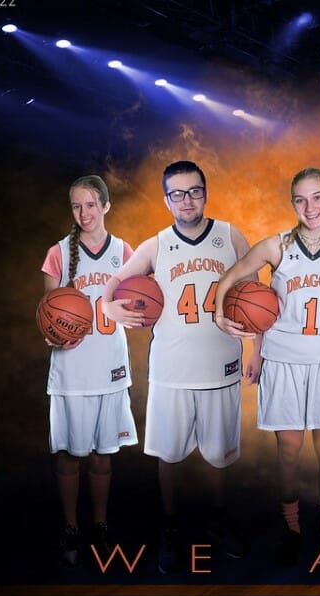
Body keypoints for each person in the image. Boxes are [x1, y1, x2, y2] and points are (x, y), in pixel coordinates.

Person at [103, 160, 251, 574]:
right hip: (170, 367)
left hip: (221, 364)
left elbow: (259, 294)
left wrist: (256, 347)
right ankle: (171, 527)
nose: (187, 200)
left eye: (195, 191)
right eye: (178, 193)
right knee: (167, 455)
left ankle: (218, 519)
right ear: (167, 199)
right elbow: (111, 285)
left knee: (220, 454)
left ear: (206, 192)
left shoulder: (230, 236)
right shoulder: (156, 245)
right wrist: (109, 305)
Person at [214, 168, 320, 568]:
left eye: (317, 198)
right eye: (300, 199)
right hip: (282, 360)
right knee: (290, 450)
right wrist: (221, 317)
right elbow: (231, 278)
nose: (309, 207)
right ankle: (292, 529)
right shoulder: (276, 246)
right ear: (292, 204)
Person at [42, 175, 138, 566]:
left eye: (91, 205)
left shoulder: (124, 252)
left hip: (111, 369)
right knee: (69, 456)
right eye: (76, 206)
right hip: (71, 371)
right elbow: (47, 315)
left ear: (106, 206)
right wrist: (54, 335)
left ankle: (99, 524)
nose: (84, 214)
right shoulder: (58, 253)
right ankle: (70, 526)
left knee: (102, 456)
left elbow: (139, 306)